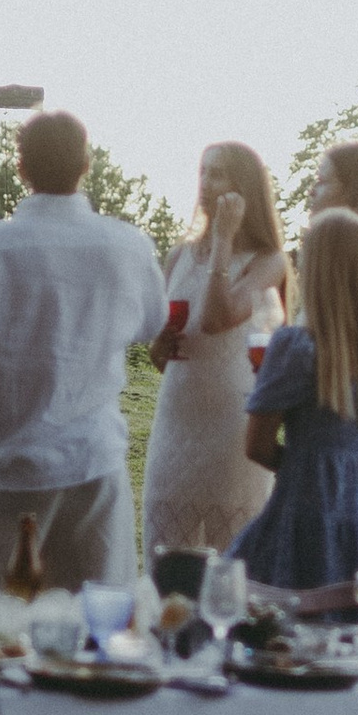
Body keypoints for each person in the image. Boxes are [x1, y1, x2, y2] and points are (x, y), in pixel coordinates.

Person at [0, 109, 167, 590]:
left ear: (20, 167)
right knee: (90, 620)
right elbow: (152, 323)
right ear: (87, 164)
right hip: (93, 462)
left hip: (1, 465)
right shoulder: (129, 246)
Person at [231, 208, 358, 594]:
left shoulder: (297, 348)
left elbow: (256, 446)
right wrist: (350, 456)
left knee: (273, 607)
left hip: (306, 511)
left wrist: (308, 465)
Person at [142, 140, 287, 564]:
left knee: (231, 567)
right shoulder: (178, 256)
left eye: (218, 173)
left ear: (245, 188)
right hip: (177, 424)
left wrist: (223, 239)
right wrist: (158, 346)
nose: (205, 183)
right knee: (166, 563)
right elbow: (163, 353)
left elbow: (215, 318)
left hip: (233, 430)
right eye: (203, 171)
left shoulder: (269, 260)